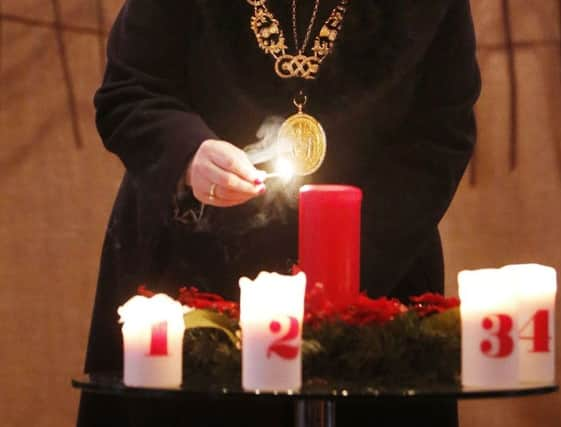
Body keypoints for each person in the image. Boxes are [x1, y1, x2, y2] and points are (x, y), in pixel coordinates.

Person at [78, 0, 480, 426]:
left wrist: (343, 274)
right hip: (189, 275)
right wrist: (188, 156)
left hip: (377, 277)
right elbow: (130, 90)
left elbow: (442, 129)